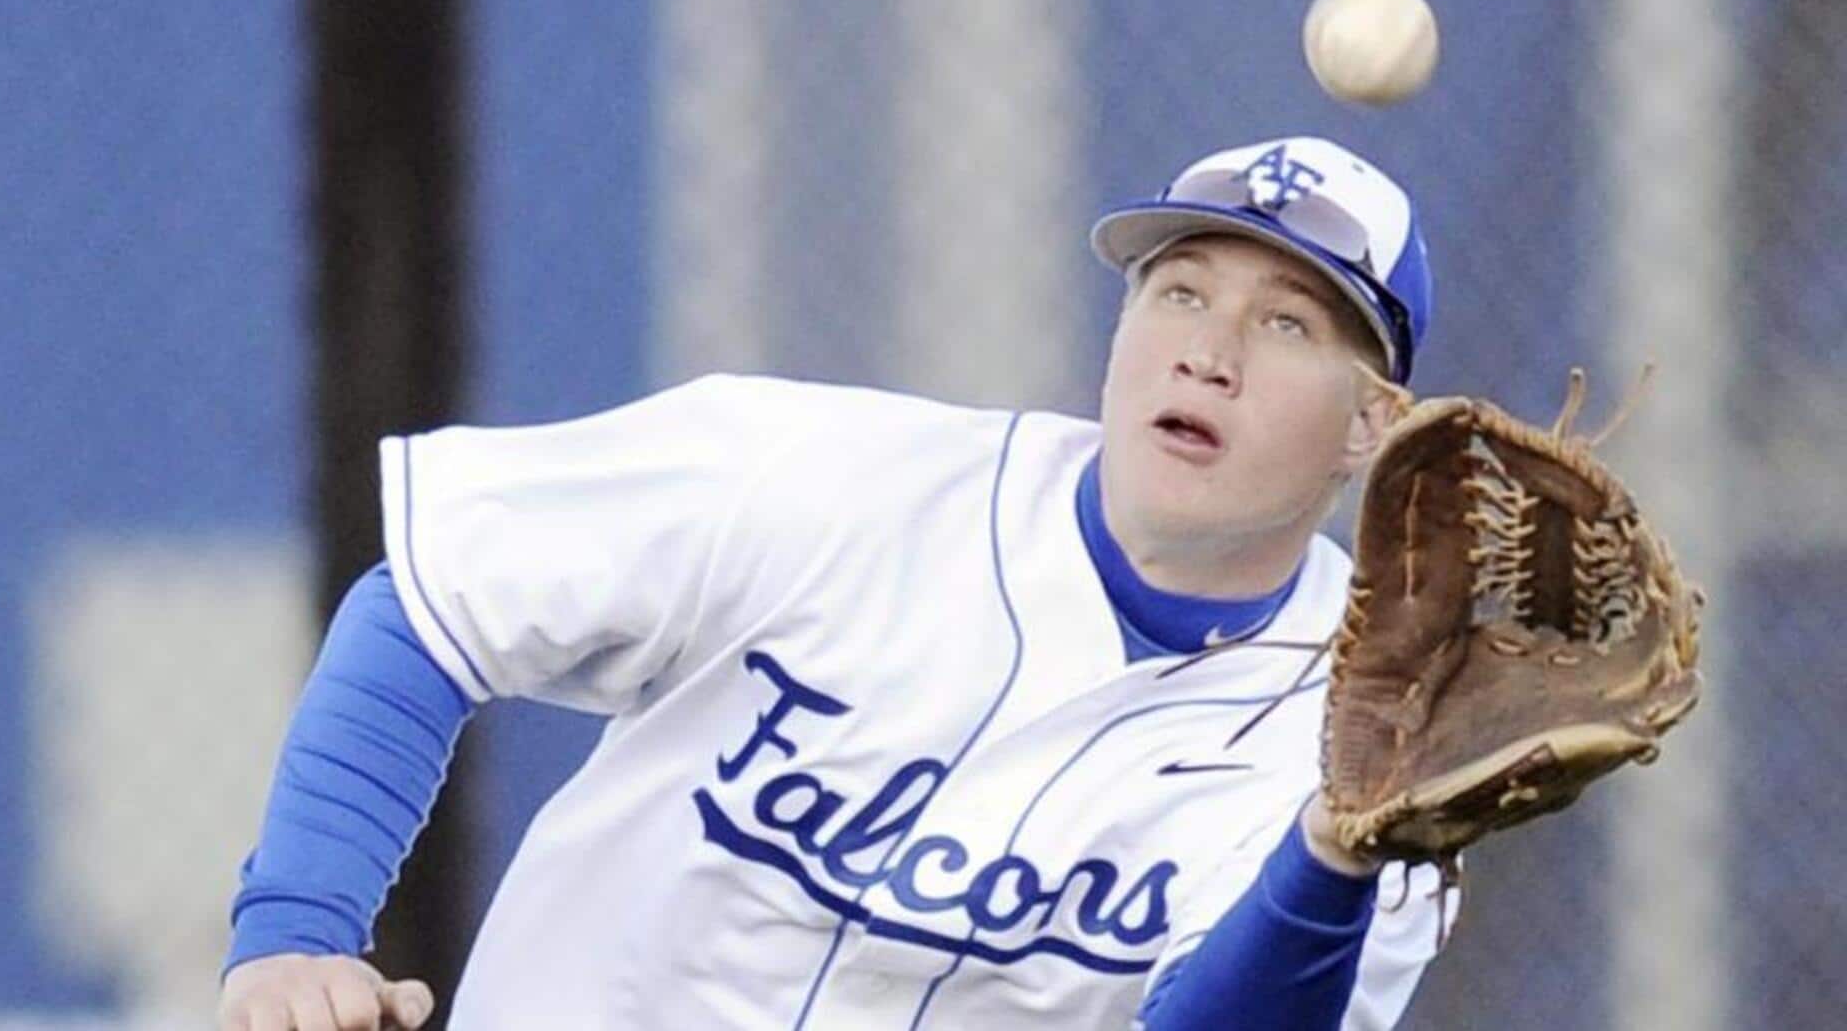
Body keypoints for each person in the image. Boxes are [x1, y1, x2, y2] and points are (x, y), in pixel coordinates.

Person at [219, 135, 1456, 1030]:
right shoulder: (828, 480)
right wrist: (293, 933)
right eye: (1179, 291)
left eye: (1288, 323)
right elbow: (435, 603)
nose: (1209, 350)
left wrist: (1328, 862)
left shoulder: (1366, 748)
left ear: (1371, 426)